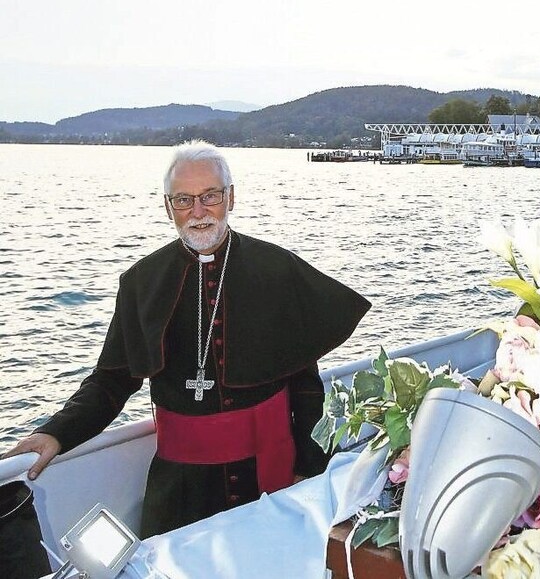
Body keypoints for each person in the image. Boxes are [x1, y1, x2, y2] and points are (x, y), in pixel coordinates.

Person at [3, 141, 370, 537]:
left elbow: (306, 389)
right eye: (183, 200)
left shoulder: (277, 269)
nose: (198, 212)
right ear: (167, 206)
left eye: (210, 196)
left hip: (269, 476)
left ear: (231, 197)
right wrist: (56, 431)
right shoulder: (141, 282)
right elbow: (111, 381)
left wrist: (310, 473)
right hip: (180, 488)